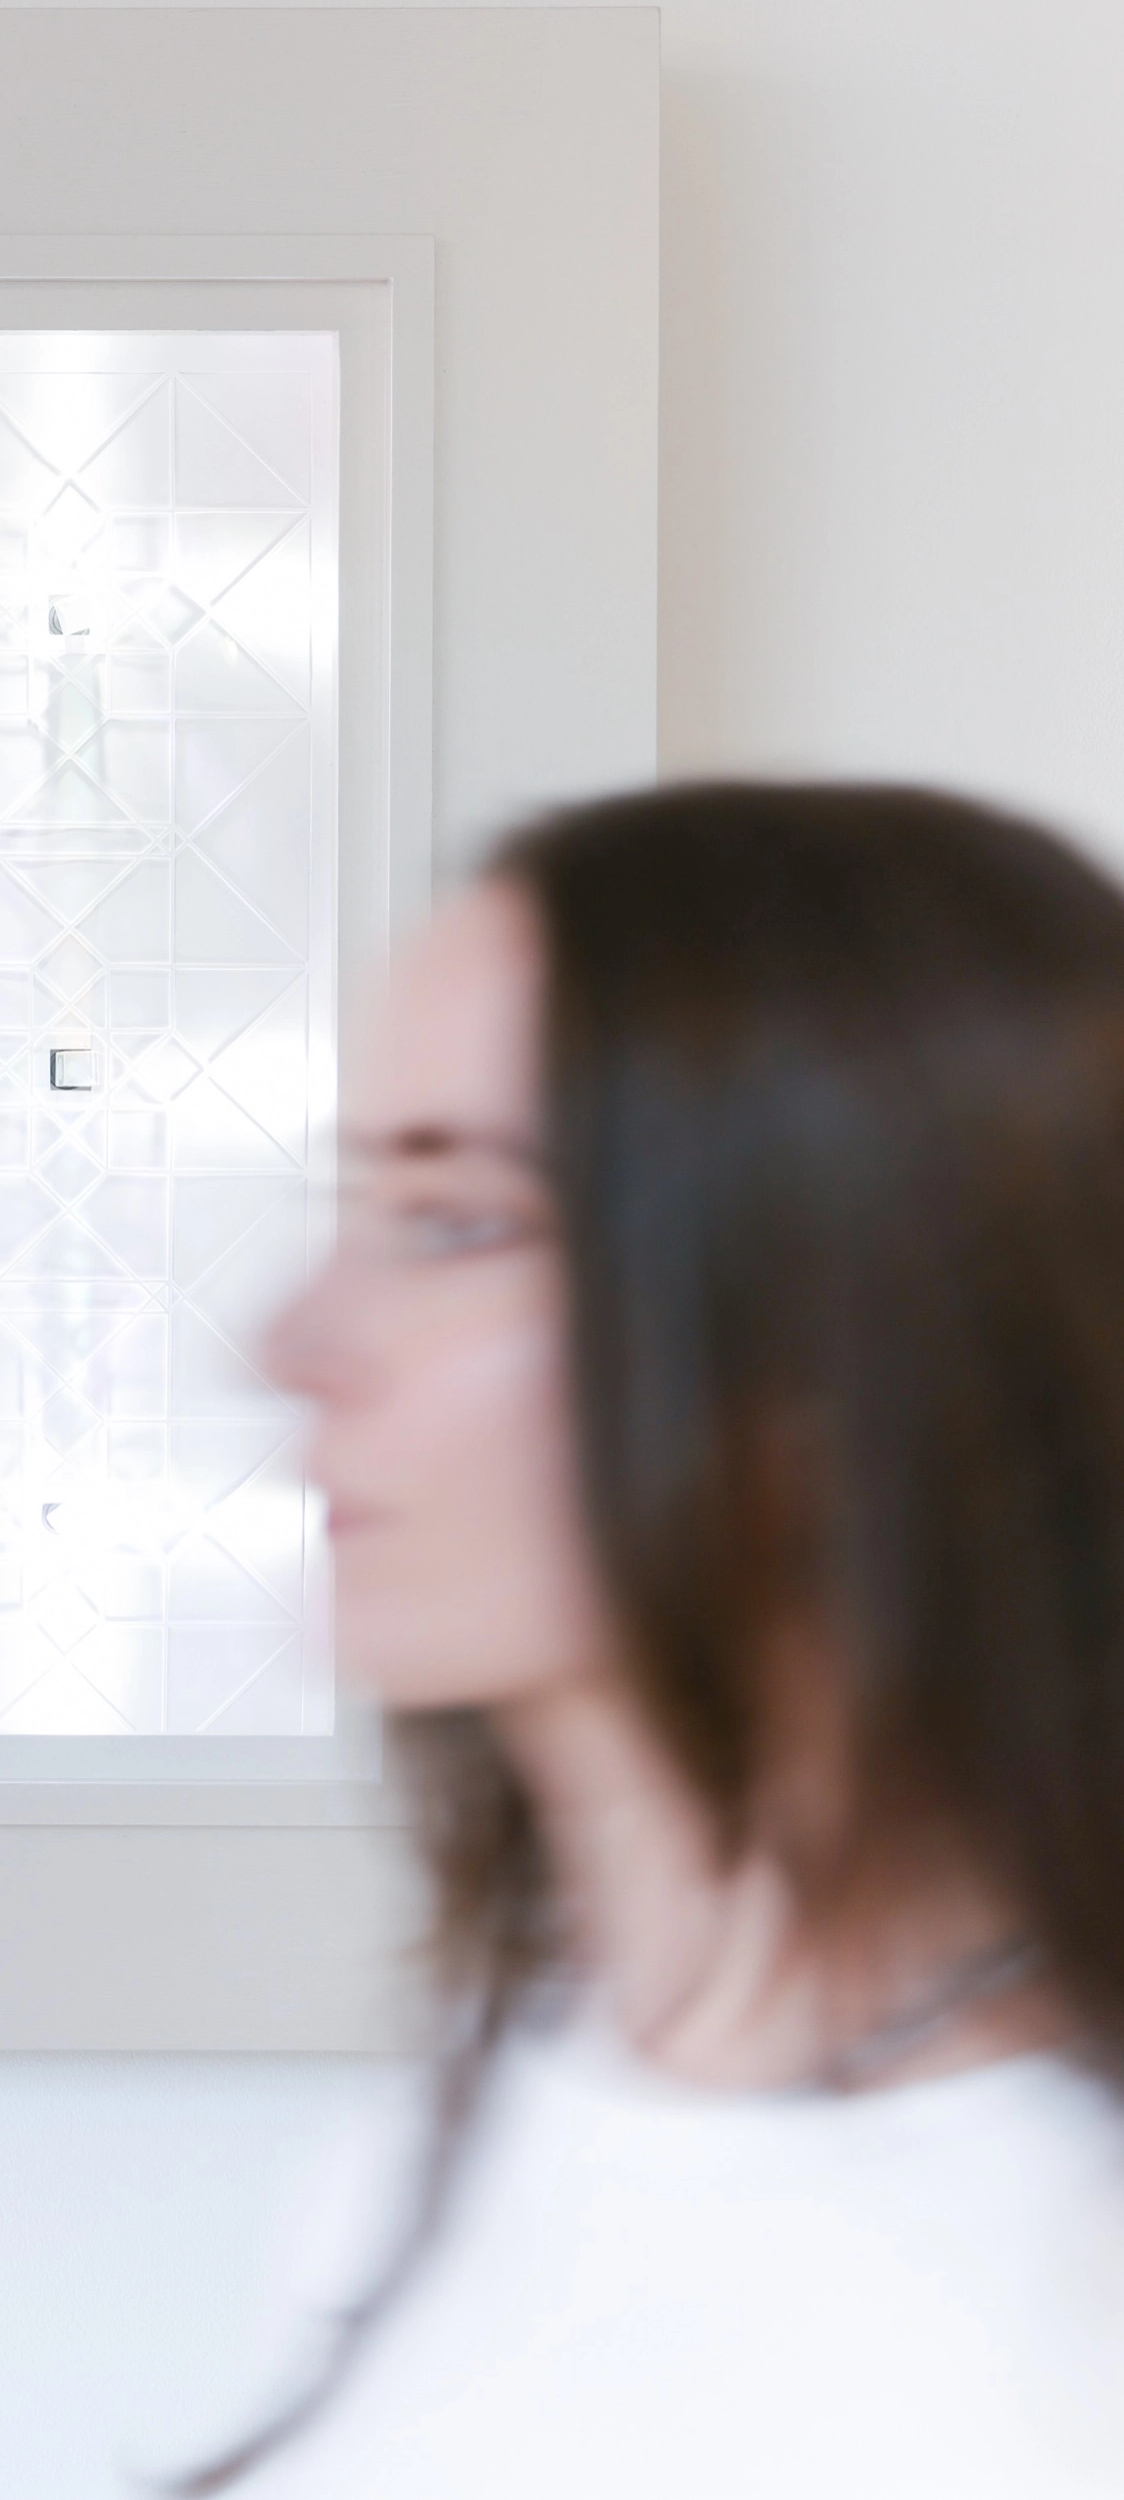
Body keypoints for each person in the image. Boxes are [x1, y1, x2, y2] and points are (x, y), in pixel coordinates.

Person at [189, 782, 1124, 2495]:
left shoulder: (1053, 2316)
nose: (289, 1340)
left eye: (455, 1222)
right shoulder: (471, 2126)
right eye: (360, 1207)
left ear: (843, 1341)